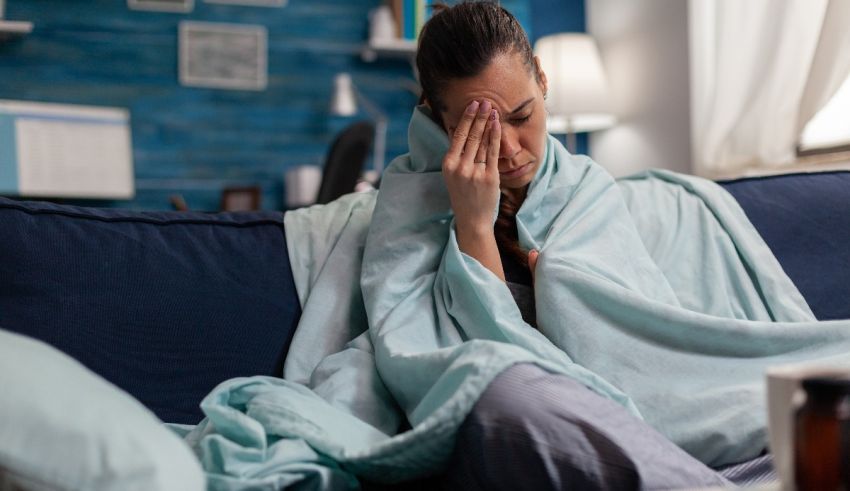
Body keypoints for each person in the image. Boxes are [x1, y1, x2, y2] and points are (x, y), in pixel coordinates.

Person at [382, 2, 769, 489]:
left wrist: (563, 290)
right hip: (536, 404)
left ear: (542, 79)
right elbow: (470, 355)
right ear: (436, 120)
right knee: (510, 395)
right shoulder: (409, 202)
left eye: (522, 116)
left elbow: (637, 340)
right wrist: (474, 224)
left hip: (636, 406)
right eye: (477, 131)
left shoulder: (584, 187)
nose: (509, 150)